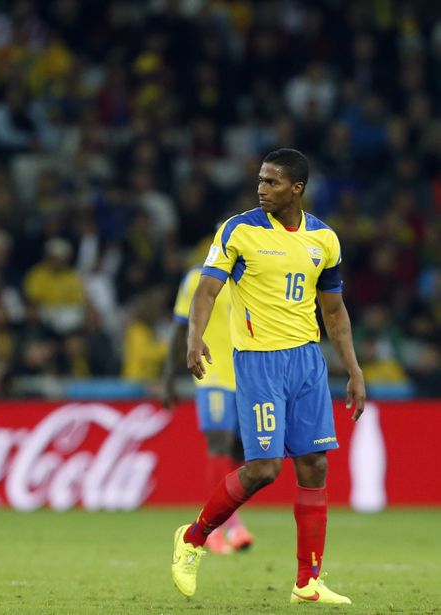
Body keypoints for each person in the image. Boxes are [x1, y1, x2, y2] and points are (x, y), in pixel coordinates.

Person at [171, 149, 366, 604]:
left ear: (296, 189)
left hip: (307, 361)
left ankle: (307, 582)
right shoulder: (239, 230)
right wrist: (194, 338)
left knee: (315, 464)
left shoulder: (324, 239)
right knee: (264, 469)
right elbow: (205, 290)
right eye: (260, 180)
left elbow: (334, 311)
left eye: (272, 182)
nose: (261, 189)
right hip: (259, 361)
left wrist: (354, 369)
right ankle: (193, 538)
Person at [162, 236, 254, 554]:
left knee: (242, 454)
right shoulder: (196, 279)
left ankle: (222, 521)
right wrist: (168, 377)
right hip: (212, 375)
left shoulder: (253, 277)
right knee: (218, 443)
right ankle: (223, 528)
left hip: (247, 378)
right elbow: (180, 327)